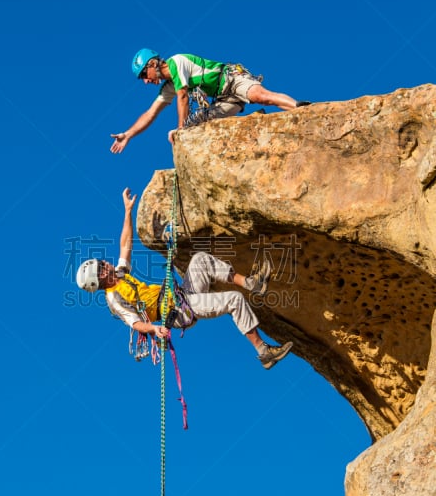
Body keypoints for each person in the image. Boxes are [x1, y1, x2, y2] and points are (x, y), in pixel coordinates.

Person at [76, 188, 293, 370]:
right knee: (234, 300)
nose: (106, 263)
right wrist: (154, 329)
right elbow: (135, 324)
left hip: (181, 296)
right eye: (101, 265)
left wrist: (127, 211)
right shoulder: (114, 298)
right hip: (178, 311)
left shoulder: (121, 276)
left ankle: (252, 284)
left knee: (200, 259)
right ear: (100, 276)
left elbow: (125, 244)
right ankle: (264, 352)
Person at [110, 49, 311, 154]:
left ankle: (301, 109)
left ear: (153, 63)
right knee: (195, 124)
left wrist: (180, 129)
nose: (146, 81)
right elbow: (150, 113)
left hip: (231, 79)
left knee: (261, 97)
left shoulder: (177, 62)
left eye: (144, 74)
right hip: (223, 99)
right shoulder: (168, 86)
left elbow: (183, 96)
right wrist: (128, 134)